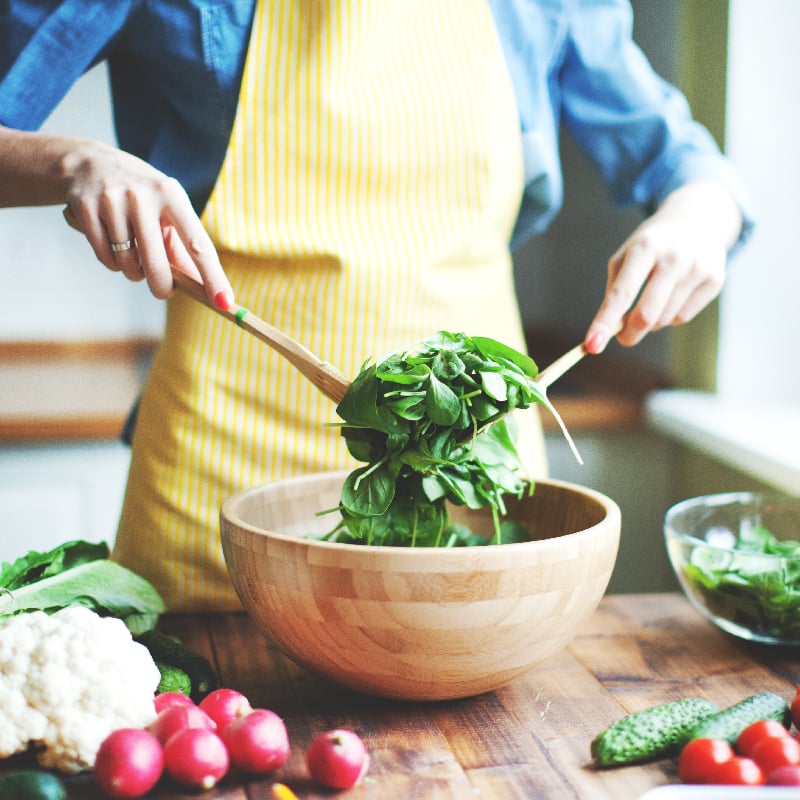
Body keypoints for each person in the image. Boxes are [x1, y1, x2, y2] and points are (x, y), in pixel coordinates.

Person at [0, 0, 752, 611]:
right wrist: (75, 162)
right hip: (218, 480)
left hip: (472, 470)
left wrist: (700, 214)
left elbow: (686, 163)